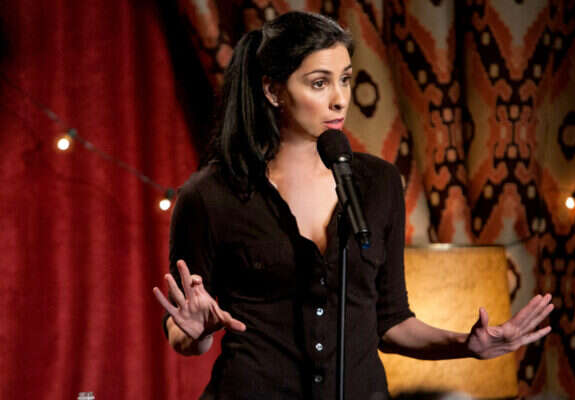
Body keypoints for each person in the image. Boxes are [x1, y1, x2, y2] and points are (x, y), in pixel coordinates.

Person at [153, 11, 553, 400]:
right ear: (272, 91)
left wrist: (467, 344)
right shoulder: (208, 195)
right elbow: (181, 329)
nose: (340, 99)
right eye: (319, 83)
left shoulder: (379, 183)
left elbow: (391, 321)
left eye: (345, 79)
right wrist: (196, 332)